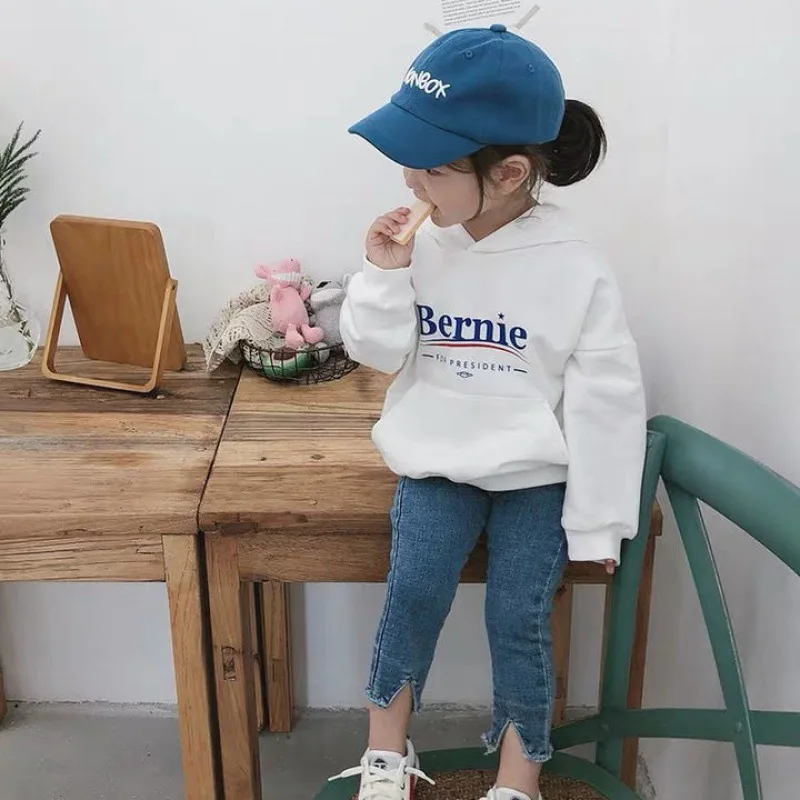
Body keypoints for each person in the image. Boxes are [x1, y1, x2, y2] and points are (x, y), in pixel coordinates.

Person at [329, 23, 647, 800]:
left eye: (432, 167)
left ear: (507, 174)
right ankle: (385, 757)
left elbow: (607, 399)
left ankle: (517, 778)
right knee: (413, 590)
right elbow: (376, 352)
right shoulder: (424, 244)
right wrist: (382, 272)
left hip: (536, 476)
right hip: (437, 462)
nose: (410, 180)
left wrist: (599, 522)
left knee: (518, 618)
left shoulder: (574, 266)